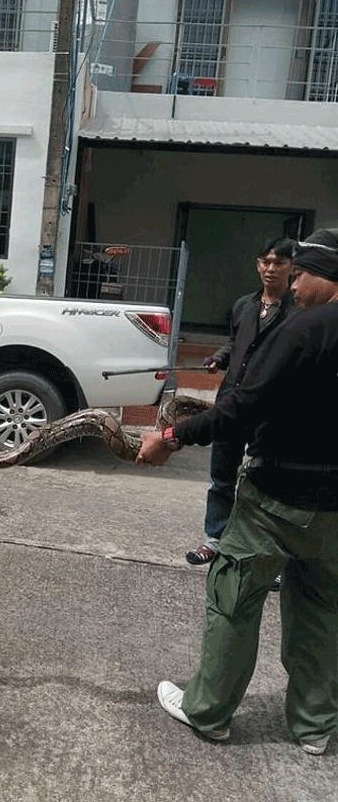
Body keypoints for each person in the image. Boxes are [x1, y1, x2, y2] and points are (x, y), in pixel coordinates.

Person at [136, 228, 338, 755]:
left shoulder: (304, 329)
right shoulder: (268, 315)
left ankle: (208, 712)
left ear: (329, 277)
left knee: (234, 599)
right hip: (334, 513)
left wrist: (171, 437)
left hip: (277, 497)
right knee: (321, 612)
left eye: (301, 275)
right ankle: (315, 727)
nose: (294, 286)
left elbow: (242, 408)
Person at [186, 237, 296, 567]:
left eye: (279, 263)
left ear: (291, 267)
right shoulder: (243, 305)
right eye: (265, 262)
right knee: (221, 478)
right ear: (257, 265)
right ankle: (215, 539)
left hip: (273, 410)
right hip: (232, 402)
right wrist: (218, 358)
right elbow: (235, 344)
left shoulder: (299, 311)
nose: (271, 269)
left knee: (269, 484)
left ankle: (269, 555)